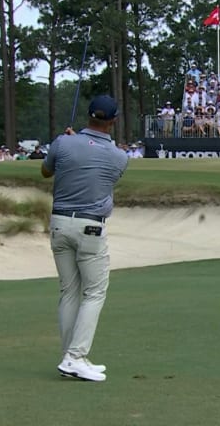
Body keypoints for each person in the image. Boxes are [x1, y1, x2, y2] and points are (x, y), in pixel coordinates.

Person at [41, 95, 128, 383]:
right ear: (113, 121)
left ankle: (71, 356)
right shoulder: (119, 156)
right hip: (91, 228)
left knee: (69, 291)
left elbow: (46, 171)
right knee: (94, 293)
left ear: (89, 116)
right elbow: (104, 173)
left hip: (59, 224)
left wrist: (70, 140)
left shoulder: (63, 142)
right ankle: (75, 357)